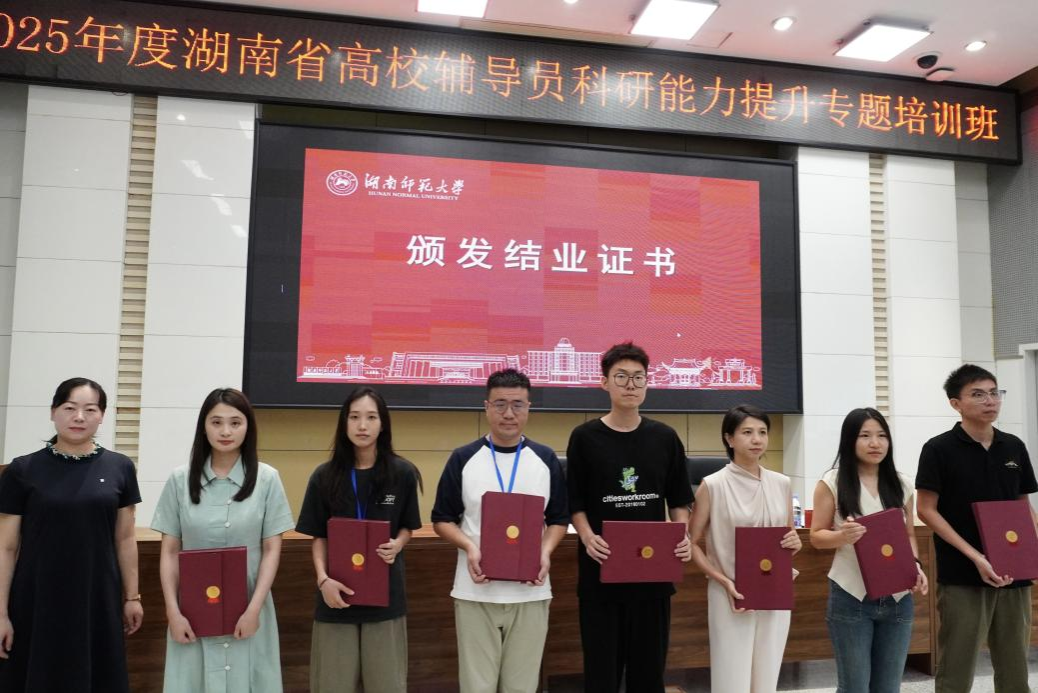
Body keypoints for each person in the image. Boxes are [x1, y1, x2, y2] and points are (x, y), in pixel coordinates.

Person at [0, 377, 143, 693]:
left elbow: (124, 538)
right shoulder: (22, 470)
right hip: (37, 598)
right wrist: (1, 614)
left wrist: (132, 597)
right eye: (69, 408)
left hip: (98, 596)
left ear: (102, 415)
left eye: (90, 409)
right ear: (53, 412)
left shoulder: (120, 467)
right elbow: (6, 547)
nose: (79, 417)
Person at [432, 369, 569, 693]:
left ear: (529, 408)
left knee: (521, 687)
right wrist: (470, 547)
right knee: (476, 686)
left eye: (517, 405)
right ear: (487, 407)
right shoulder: (463, 458)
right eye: (500, 404)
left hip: (531, 591)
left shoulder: (545, 459)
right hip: (475, 592)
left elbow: (559, 519)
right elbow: (441, 519)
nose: (509, 413)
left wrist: (544, 552)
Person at [566, 342, 692, 693]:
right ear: (604, 382)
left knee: (648, 674)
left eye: (638, 377)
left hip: (653, 573)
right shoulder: (584, 438)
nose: (631, 384)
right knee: (601, 674)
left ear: (648, 383)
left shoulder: (665, 437)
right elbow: (575, 502)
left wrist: (681, 535)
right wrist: (587, 537)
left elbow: (679, 499)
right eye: (621, 376)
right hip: (601, 571)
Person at [151, 387, 295, 693]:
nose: (225, 431)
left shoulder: (267, 479)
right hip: (191, 613)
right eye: (216, 422)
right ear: (204, 426)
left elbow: (272, 549)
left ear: (248, 427)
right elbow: (170, 552)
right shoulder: (180, 480)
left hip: (249, 608)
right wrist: (173, 612)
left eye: (235, 422)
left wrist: (254, 609)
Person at [916, 364, 1037, 693]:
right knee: (957, 668)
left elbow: (1023, 505)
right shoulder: (938, 449)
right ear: (956, 403)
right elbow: (925, 509)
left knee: (1015, 670)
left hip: (1014, 572)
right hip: (962, 574)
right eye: (978, 394)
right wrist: (975, 556)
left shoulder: (1013, 446)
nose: (990, 401)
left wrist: (1033, 554)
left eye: (995, 393)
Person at [295, 386, 422, 693]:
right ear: (344, 423)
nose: (362, 425)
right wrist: (323, 580)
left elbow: (407, 527)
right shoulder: (324, 476)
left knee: (388, 685)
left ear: (383, 424)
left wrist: (398, 544)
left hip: (386, 599)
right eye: (354, 417)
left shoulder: (402, 473)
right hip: (335, 599)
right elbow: (319, 537)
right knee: (332, 685)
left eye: (371, 417)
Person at [809, 408, 927, 693]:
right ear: (850, 440)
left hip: (898, 595)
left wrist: (915, 565)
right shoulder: (833, 482)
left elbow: (909, 534)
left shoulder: (902, 483)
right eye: (865, 436)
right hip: (851, 594)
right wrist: (842, 536)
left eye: (882, 436)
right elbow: (816, 536)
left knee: (888, 687)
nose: (875, 443)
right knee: (854, 686)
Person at [688, 404, 801, 693]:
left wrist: (794, 543)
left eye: (762, 432)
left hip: (773, 588)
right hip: (730, 591)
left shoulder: (781, 483)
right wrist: (722, 580)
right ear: (729, 438)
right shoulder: (713, 485)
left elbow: (787, 536)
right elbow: (692, 542)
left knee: (767, 675)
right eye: (747, 432)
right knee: (732, 675)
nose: (756, 439)